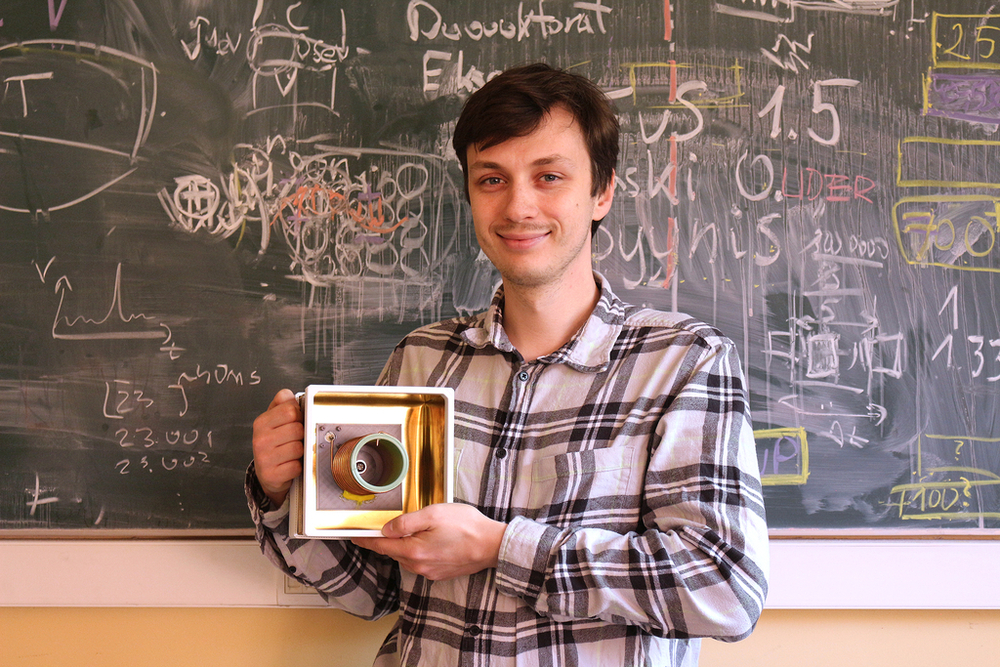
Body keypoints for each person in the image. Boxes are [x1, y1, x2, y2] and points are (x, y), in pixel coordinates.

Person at [248, 62, 768, 666]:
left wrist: (501, 548)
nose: (519, 206)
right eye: (492, 179)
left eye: (549, 176)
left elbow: (725, 590)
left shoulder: (681, 364)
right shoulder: (422, 359)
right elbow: (373, 589)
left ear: (601, 193)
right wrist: (283, 490)